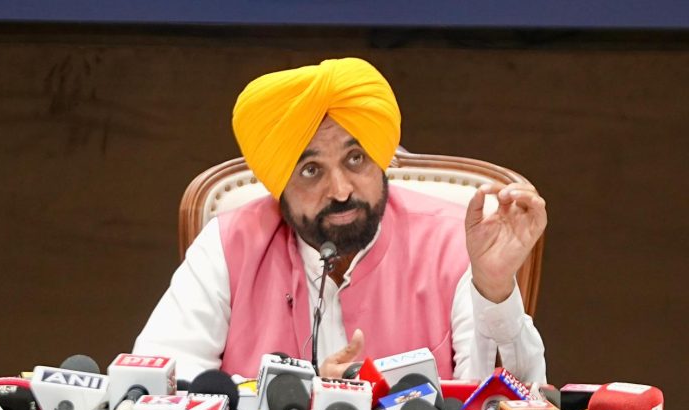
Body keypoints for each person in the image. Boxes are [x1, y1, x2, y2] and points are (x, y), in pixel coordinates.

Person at [133, 57, 547, 383]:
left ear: (380, 159)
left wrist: (494, 289)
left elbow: (505, 405)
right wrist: (307, 397)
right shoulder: (228, 246)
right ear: (278, 185)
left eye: (355, 158)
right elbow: (158, 385)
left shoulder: (453, 244)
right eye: (311, 170)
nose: (341, 190)